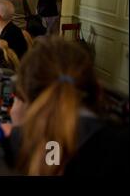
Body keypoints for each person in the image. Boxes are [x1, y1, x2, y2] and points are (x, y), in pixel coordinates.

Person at [7, 37, 129, 175]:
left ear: (25, 95)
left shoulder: (19, 146)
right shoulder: (119, 142)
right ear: (93, 85)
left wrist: (20, 132)